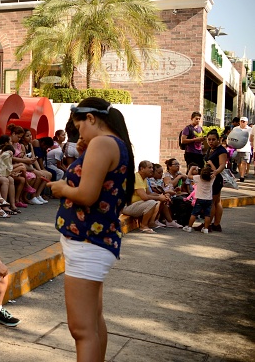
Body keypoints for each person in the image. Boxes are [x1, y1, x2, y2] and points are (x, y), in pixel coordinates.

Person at [49, 97, 134, 362]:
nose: (79, 135)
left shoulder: (102, 143)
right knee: (93, 322)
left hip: (87, 242)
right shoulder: (113, 144)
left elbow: (86, 194)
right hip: (94, 241)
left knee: (81, 329)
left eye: (79, 128)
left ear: (91, 119)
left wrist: (62, 188)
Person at [120, 161, 169, 234]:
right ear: (142, 169)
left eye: (152, 167)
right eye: (149, 167)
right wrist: (159, 198)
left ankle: (151, 222)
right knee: (151, 202)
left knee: (158, 200)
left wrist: (162, 196)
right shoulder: (136, 178)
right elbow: (145, 197)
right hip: (127, 206)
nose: (152, 170)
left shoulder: (144, 179)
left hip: (136, 205)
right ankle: (144, 226)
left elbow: (150, 193)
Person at [204, 129, 228, 232]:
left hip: (216, 178)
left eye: (213, 139)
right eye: (209, 139)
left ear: (218, 140)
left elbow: (222, 164)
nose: (211, 141)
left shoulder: (221, 150)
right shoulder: (210, 149)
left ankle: (208, 224)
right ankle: (216, 224)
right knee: (217, 201)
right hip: (210, 177)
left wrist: (216, 172)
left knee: (212, 202)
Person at [183, 164, 216, 233]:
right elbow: (215, 171)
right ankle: (206, 228)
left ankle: (189, 227)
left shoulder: (198, 178)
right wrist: (211, 163)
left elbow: (189, 176)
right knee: (207, 214)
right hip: (209, 199)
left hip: (200, 199)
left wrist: (191, 168)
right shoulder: (212, 178)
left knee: (194, 213)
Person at [235, 117, 253, 182]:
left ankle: (242, 176)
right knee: (239, 163)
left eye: (244, 121)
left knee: (244, 162)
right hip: (238, 148)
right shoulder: (236, 129)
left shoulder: (250, 129)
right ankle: (241, 174)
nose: (242, 123)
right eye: (241, 121)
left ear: (246, 122)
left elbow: (252, 137)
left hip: (246, 149)